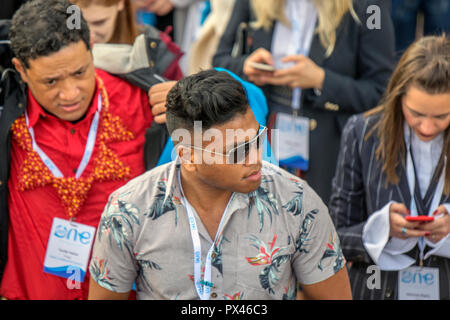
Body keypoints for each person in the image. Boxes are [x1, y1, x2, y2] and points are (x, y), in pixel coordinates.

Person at [88, 69, 352, 300]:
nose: (257, 157)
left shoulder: (297, 202)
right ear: (188, 156)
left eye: (258, 138)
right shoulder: (128, 209)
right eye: (237, 151)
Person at [0, 0, 158, 299]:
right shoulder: (8, 115)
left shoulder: (142, 102)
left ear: (92, 45)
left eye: (80, 72)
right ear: (20, 68)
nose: (70, 93)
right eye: (51, 81)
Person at [212, 0, 396, 204]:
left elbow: (382, 91)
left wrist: (322, 80)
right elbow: (220, 61)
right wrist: (246, 66)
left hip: (329, 148)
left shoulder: (372, 7)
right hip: (264, 133)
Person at [329, 35, 450, 300]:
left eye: (441, 116)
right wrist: (380, 228)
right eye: (416, 113)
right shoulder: (362, 133)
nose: (427, 127)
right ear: (398, 96)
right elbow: (334, 238)